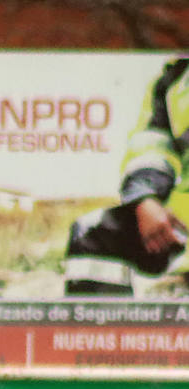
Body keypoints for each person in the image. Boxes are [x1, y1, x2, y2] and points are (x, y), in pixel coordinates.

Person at [65, 57, 189, 295]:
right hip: (182, 223)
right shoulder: (175, 82)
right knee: (94, 232)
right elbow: (152, 148)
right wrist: (146, 198)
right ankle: (97, 329)